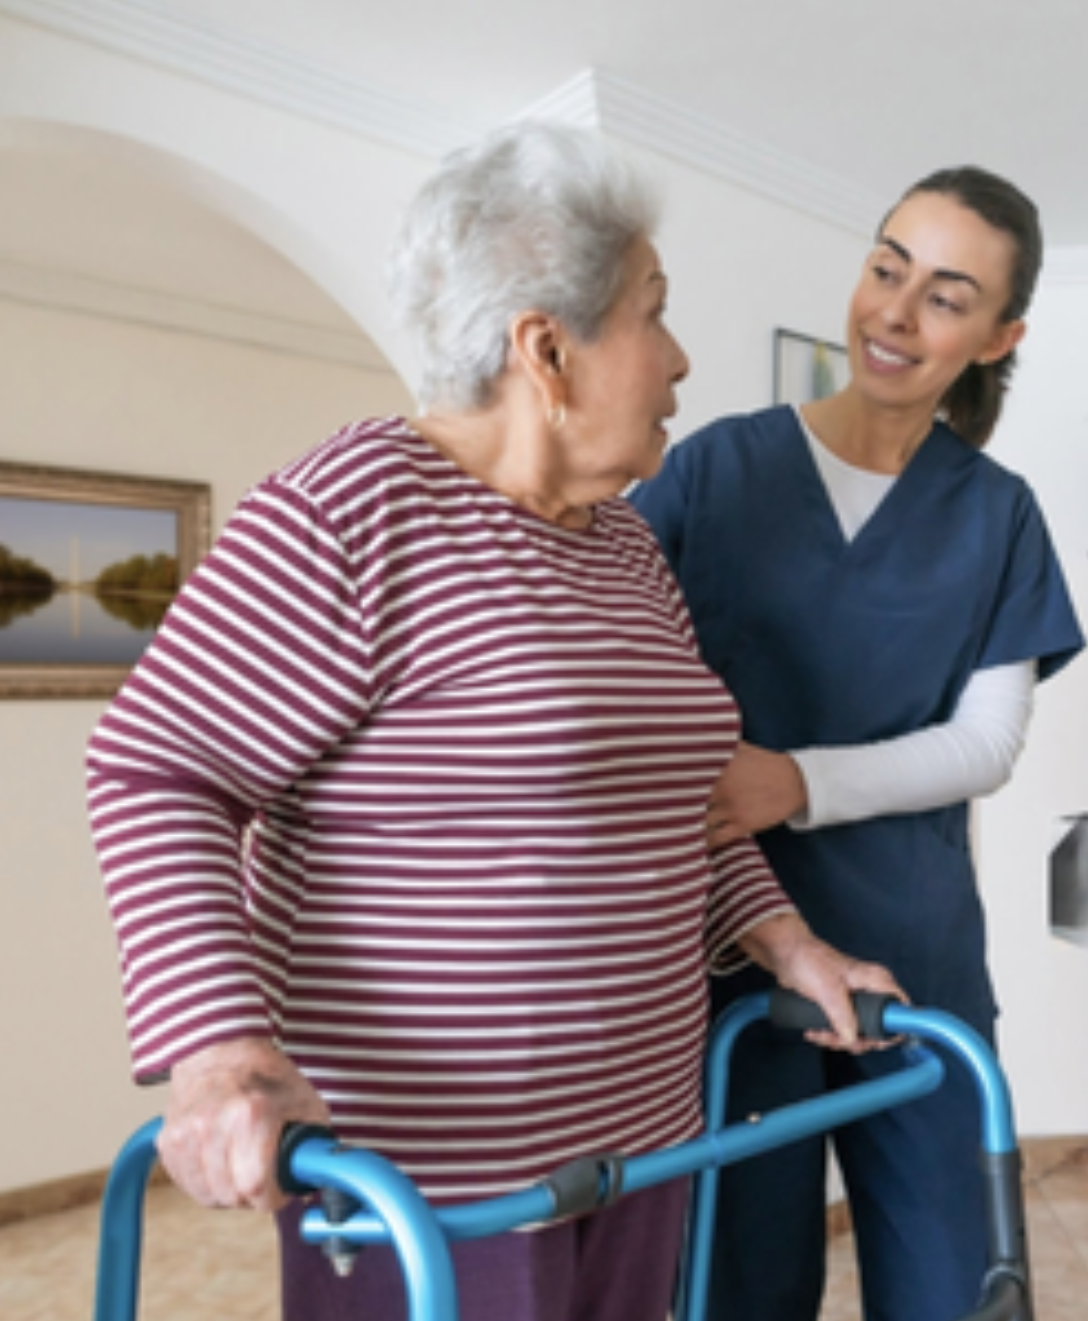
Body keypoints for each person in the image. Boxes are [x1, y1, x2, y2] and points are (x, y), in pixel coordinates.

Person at [86, 121, 901, 1321]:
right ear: (546, 348)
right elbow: (157, 768)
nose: (678, 360)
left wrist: (790, 945)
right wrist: (218, 1051)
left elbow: (683, 804)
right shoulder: (348, 509)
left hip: (643, 1139)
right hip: (438, 1179)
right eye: (652, 310)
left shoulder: (626, 549)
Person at [630, 165, 1085, 1321]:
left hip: (913, 955)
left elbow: (987, 742)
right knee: (736, 1285)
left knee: (955, 1280)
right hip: (725, 957)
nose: (892, 311)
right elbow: (615, 668)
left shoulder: (995, 513)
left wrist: (792, 781)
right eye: (886, 266)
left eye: (944, 294)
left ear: (996, 336)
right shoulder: (710, 471)